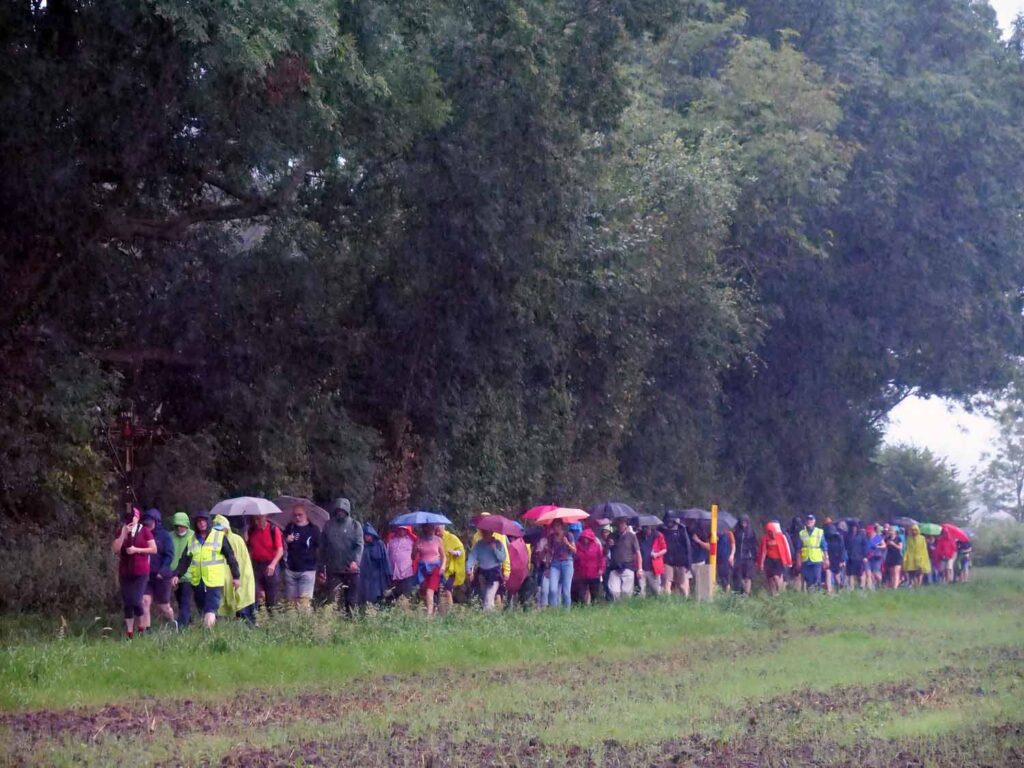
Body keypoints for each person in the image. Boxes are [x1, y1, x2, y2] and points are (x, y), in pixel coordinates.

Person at [172, 510, 240, 629]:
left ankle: (208, 635)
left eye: (204, 521)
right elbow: (184, 560)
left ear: (208, 522)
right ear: (195, 524)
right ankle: (209, 633)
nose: (202, 523)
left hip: (214, 581)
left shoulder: (219, 537)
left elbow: (231, 557)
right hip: (198, 580)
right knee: (202, 609)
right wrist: (177, 574)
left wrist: (236, 576)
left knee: (210, 609)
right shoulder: (192, 540)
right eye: (199, 521)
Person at [111, 507, 156, 639]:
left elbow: (153, 549)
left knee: (136, 600)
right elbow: (115, 549)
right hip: (125, 571)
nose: (131, 520)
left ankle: (141, 627)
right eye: (128, 518)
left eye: (133, 518)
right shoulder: (122, 530)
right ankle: (129, 633)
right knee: (127, 602)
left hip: (141, 571)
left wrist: (137, 549)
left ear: (138, 518)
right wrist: (123, 534)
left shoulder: (145, 531)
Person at [318, 498, 363, 617]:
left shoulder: (355, 525)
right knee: (332, 600)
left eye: (343, 510)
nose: (340, 512)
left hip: (351, 570)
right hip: (334, 570)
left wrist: (356, 562)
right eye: (338, 510)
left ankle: (351, 625)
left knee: (351, 602)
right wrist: (321, 570)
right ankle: (332, 626)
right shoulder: (328, 526)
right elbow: (323, 549)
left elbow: (359, 546)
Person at [214, 514, 256, 624]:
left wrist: (238, 576)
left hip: (240, 577)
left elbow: (243, 561)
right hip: (224, 580)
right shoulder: (215, 541)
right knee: (224, 609)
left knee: (242, 605)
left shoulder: (237, 540)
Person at [139, 508, 175, 632]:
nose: (147, 526)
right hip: (146, 575)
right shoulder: (141, 535)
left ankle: (172, 622)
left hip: (161, 576)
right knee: (144, 601)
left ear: (156, 522)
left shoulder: (165, 536)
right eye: (145, 523)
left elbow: (169, 555)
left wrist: (162, 571)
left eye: (149, 523)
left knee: (164, 606)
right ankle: (145, 631)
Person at [283, 505, 320, 611]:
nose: (297, 517)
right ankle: (293, 626)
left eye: (300, 515)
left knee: (304, 604)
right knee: (291, 605)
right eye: (295, 515)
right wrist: (287, 540)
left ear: (306, 514)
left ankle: (306, 626)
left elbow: (319, 549)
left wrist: (320, 567)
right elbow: (280, 546)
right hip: (291, 569)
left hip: (308, 570)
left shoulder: (314, 529)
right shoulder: (290, 527)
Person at [247, 512, 283, 613]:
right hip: (257, 565)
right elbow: (250, 549)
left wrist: (273, 564)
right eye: (254, 519)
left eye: (258, 519)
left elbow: (280, 550)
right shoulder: (251, 530)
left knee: (271, 597)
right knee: (258, 594)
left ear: (264, 517)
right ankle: (259, 619)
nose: (256, 522)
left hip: (271, 565)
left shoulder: (273, 529)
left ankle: (272, 620)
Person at [466, 529, 507, 611]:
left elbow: (502, 558)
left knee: (488, 598)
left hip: (494, 575)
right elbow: (472, 557)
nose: (484, 534)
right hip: (482, 574)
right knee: (486, 598)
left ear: (491, 532)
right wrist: (468, 568)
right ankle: (492, 619)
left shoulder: (498, 543)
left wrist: (495, 549)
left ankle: (488, 618)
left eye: (486, 532)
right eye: (483, 532)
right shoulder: (479, 544)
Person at [414, 524, 446, 617]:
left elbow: (443, 557)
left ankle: (429, 615)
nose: (431, 529)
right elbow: (413, 556)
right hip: (423, 568)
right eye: (429, 527)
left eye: (433, 528)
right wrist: (416, 549)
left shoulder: (438, 540)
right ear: (424, 528)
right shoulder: (419, 540)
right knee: (423, 592)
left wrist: (443, 566)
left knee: (429, 591)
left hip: (435, 568)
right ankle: (433, 608)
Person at [168, 512, 194, 626]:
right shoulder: (169, 536)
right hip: (173, 575)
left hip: (188, 575)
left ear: (187, 525)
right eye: (177, 525)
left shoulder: (193, 536)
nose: (179, 528)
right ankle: (188, 622)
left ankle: (182, 627)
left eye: (182, 525)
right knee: (180, 602)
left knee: (185, 602)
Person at [608, 516, 641, 600]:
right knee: (614, 590)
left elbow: (638, 553)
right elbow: (605, 552)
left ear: (626, 524)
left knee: (626, 592)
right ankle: (617, 607)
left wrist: (639, 568)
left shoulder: (632, 536)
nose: (620, 525)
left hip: (628, 566)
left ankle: (624, 608)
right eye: (619, 523)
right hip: (614, 567)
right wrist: (608, 545)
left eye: (622, 523)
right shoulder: (612, 535)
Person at [358, 523, 391, 607]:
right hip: (365, 575)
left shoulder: (379, 544)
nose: (366, 537)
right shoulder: (362, 546)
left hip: (377, 575)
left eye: (368, 535)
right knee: (364, 594)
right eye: (365, 535)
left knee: (376, 594)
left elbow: (385, 560)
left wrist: (388, 574)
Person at [545, 519, 576, 608]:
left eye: (558, 526)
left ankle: (567, 611)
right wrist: (547, 567)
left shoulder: (568, 535)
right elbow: (549, 553)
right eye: (554, 526)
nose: (556, 528)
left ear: (562, 526)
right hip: (555, 563)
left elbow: (574, 550)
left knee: (566, 590)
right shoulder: (551, 537)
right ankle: (554, 610)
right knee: (552, 589)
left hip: (567, 562)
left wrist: (567, 543)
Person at [757, 520, 792, 596]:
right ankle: (774, 594)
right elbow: (763, 551)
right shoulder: (765, 538)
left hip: (779, 561)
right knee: (770, 578)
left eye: (773, 531)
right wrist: (762, 563)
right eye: (770, 532)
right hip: (769, 560)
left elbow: (786, 549)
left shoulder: (781, 537)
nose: (772, 533)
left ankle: (780, 592)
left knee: (776, 577)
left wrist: (788, 561)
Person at [661, 513, 693, 597]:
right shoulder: (662, 530)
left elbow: (687, 547)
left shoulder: (681, 530)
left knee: (681, 585)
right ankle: (667, 601)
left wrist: (688, 564)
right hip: (667, 561)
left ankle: (686, 599)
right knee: (667, 582)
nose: (668, 524)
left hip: (680, 562)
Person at [572, 527, 604, 604]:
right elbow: (575, 560)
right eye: (584, 538)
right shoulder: (578, 546)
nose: (585, 539)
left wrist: (601, 569)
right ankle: (582, 608)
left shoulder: (596, 546)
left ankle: (594, 608)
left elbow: (601, 558)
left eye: (587, 538)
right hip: (581, 574)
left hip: (594, 574)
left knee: (594, 594)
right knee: (581, 594)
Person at [386, 525, 417, 604]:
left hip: (406, 573)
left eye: (403, 529)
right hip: (393, 573)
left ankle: (405, 613)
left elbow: (415, 555)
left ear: (407, 530)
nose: (401, 531)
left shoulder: (412, 541)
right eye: (399, 529)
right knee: (391, 597)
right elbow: (387, 554)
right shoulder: (391, 541)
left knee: (405, 597)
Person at [439, 525, 467, 612]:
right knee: (440, 590)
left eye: (438, 529)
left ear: (443, 528)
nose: (437, 531)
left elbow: (461, 550)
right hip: (438, 568)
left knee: (447, 590)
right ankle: (442, 610)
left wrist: (455, 552)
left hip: (450, 570)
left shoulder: (452, 538)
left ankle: (449, 611)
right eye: (435, 529)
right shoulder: (434, 539)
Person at [797, 514, 828, 591]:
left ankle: (817, 594)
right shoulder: (802, 533)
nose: (809, 522)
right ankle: (810, 595)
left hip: (816, 559)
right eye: (808, 520)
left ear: (814, 521)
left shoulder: (819, 532)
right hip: (806, 559)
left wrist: (826, 559)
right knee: (808, 579)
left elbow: (824, 546)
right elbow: (798, 548)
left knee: (817, 578)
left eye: (811, 520)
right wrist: (798, 560)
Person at [732, 515, 759, 595]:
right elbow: (734, 543)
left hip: (749, 557)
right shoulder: (736, 531)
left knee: (748, 576)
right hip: (739, 556)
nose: (744, 523)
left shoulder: (751, 531)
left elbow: (754, 544)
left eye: (745, 521)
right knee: (739, 575)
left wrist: (755, 557)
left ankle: (746, 594)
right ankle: (744, 591)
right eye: (742, 521)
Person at [638, 523, 666, 597]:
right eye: (643, 527)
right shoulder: (638, 536)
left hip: (653, 567)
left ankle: (658, 602)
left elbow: (664, 549)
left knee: (656, 590)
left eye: (646, 527)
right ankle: (641, 604)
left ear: (650, 527)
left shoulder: (658, 535)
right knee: (641, 589)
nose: (645, 529)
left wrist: (657, 554)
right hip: (641, 567)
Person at [846, 521, 869, 590]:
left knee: (861, 573)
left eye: (855, 527)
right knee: (851, 574)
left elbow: (865, 546)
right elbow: (846, 546)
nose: (854, 528)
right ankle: (851, 588)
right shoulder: (848, 535)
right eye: (852, 527)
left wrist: (865, 556)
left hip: (860, 557)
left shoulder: (861, 535)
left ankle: (862, 586)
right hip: (851, 558)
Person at [823, 522, 846, 592]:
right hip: (831, 557)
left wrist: (842, 560)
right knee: (829, 572)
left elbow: (842, 549)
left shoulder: (838, 538)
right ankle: (830, 590)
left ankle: (839, 587)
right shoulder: (836, 537)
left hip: (835, 558)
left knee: (836, 574)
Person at [866, 524, 885, 589]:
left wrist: (877, 546)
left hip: (876, 557)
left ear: (873, 531)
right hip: (868, 557)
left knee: (876, 572)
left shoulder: (878, 537)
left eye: (870, 532)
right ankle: (870, 588)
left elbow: (884, 546)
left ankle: (881, 583)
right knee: (868, 573)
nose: (868, 533)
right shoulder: (866, 538)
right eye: (868, 532)